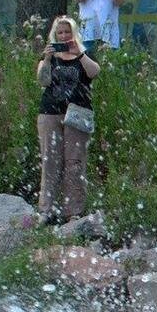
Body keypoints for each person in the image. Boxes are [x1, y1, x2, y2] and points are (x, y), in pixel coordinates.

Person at [35, 15, 99, 223]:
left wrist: (78, 53)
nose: (64, 36)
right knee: (50, 160)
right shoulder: (50, 57)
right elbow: (43, 81)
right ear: (55, 35)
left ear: (73, 34)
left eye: (67, 32)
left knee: (75, 162)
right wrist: (46, 58)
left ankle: (73, 211)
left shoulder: (83, 55)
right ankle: (46, 209)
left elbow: (94, 72)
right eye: (60, 33)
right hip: (50, 113)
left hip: (77, 113)